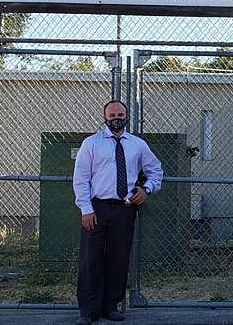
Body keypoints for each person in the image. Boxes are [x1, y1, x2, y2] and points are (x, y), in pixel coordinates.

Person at [73, 100, 163, 324]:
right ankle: (88, 310)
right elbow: (81, 178)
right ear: (105, 117)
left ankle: (111, 306)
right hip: (97, 209)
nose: (116, 118)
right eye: (112, 114)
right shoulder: (91, 144)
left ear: (127, 116)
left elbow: (156, 171)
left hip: (125, 209)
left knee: (118, 259)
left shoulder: (138, 145)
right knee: (90, 259)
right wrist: (86, 209)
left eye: (120, 114)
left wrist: (146, 189)